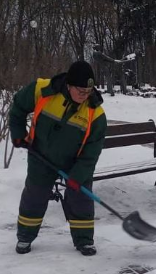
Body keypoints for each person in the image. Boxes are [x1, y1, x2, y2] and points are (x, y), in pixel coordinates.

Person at [9, 60, 107, 256]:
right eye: (81, 90)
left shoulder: (95, 114)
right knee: (35, 195)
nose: (85, 95)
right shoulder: (42, 90)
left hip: (74, 162)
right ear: (69, 85)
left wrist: (78, 176)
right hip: (40, 155)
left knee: (81, 198)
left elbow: (91, 153)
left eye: (88, 91)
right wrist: (19, 133)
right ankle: (25, 236)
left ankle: (84, 240)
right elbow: (18, 106)